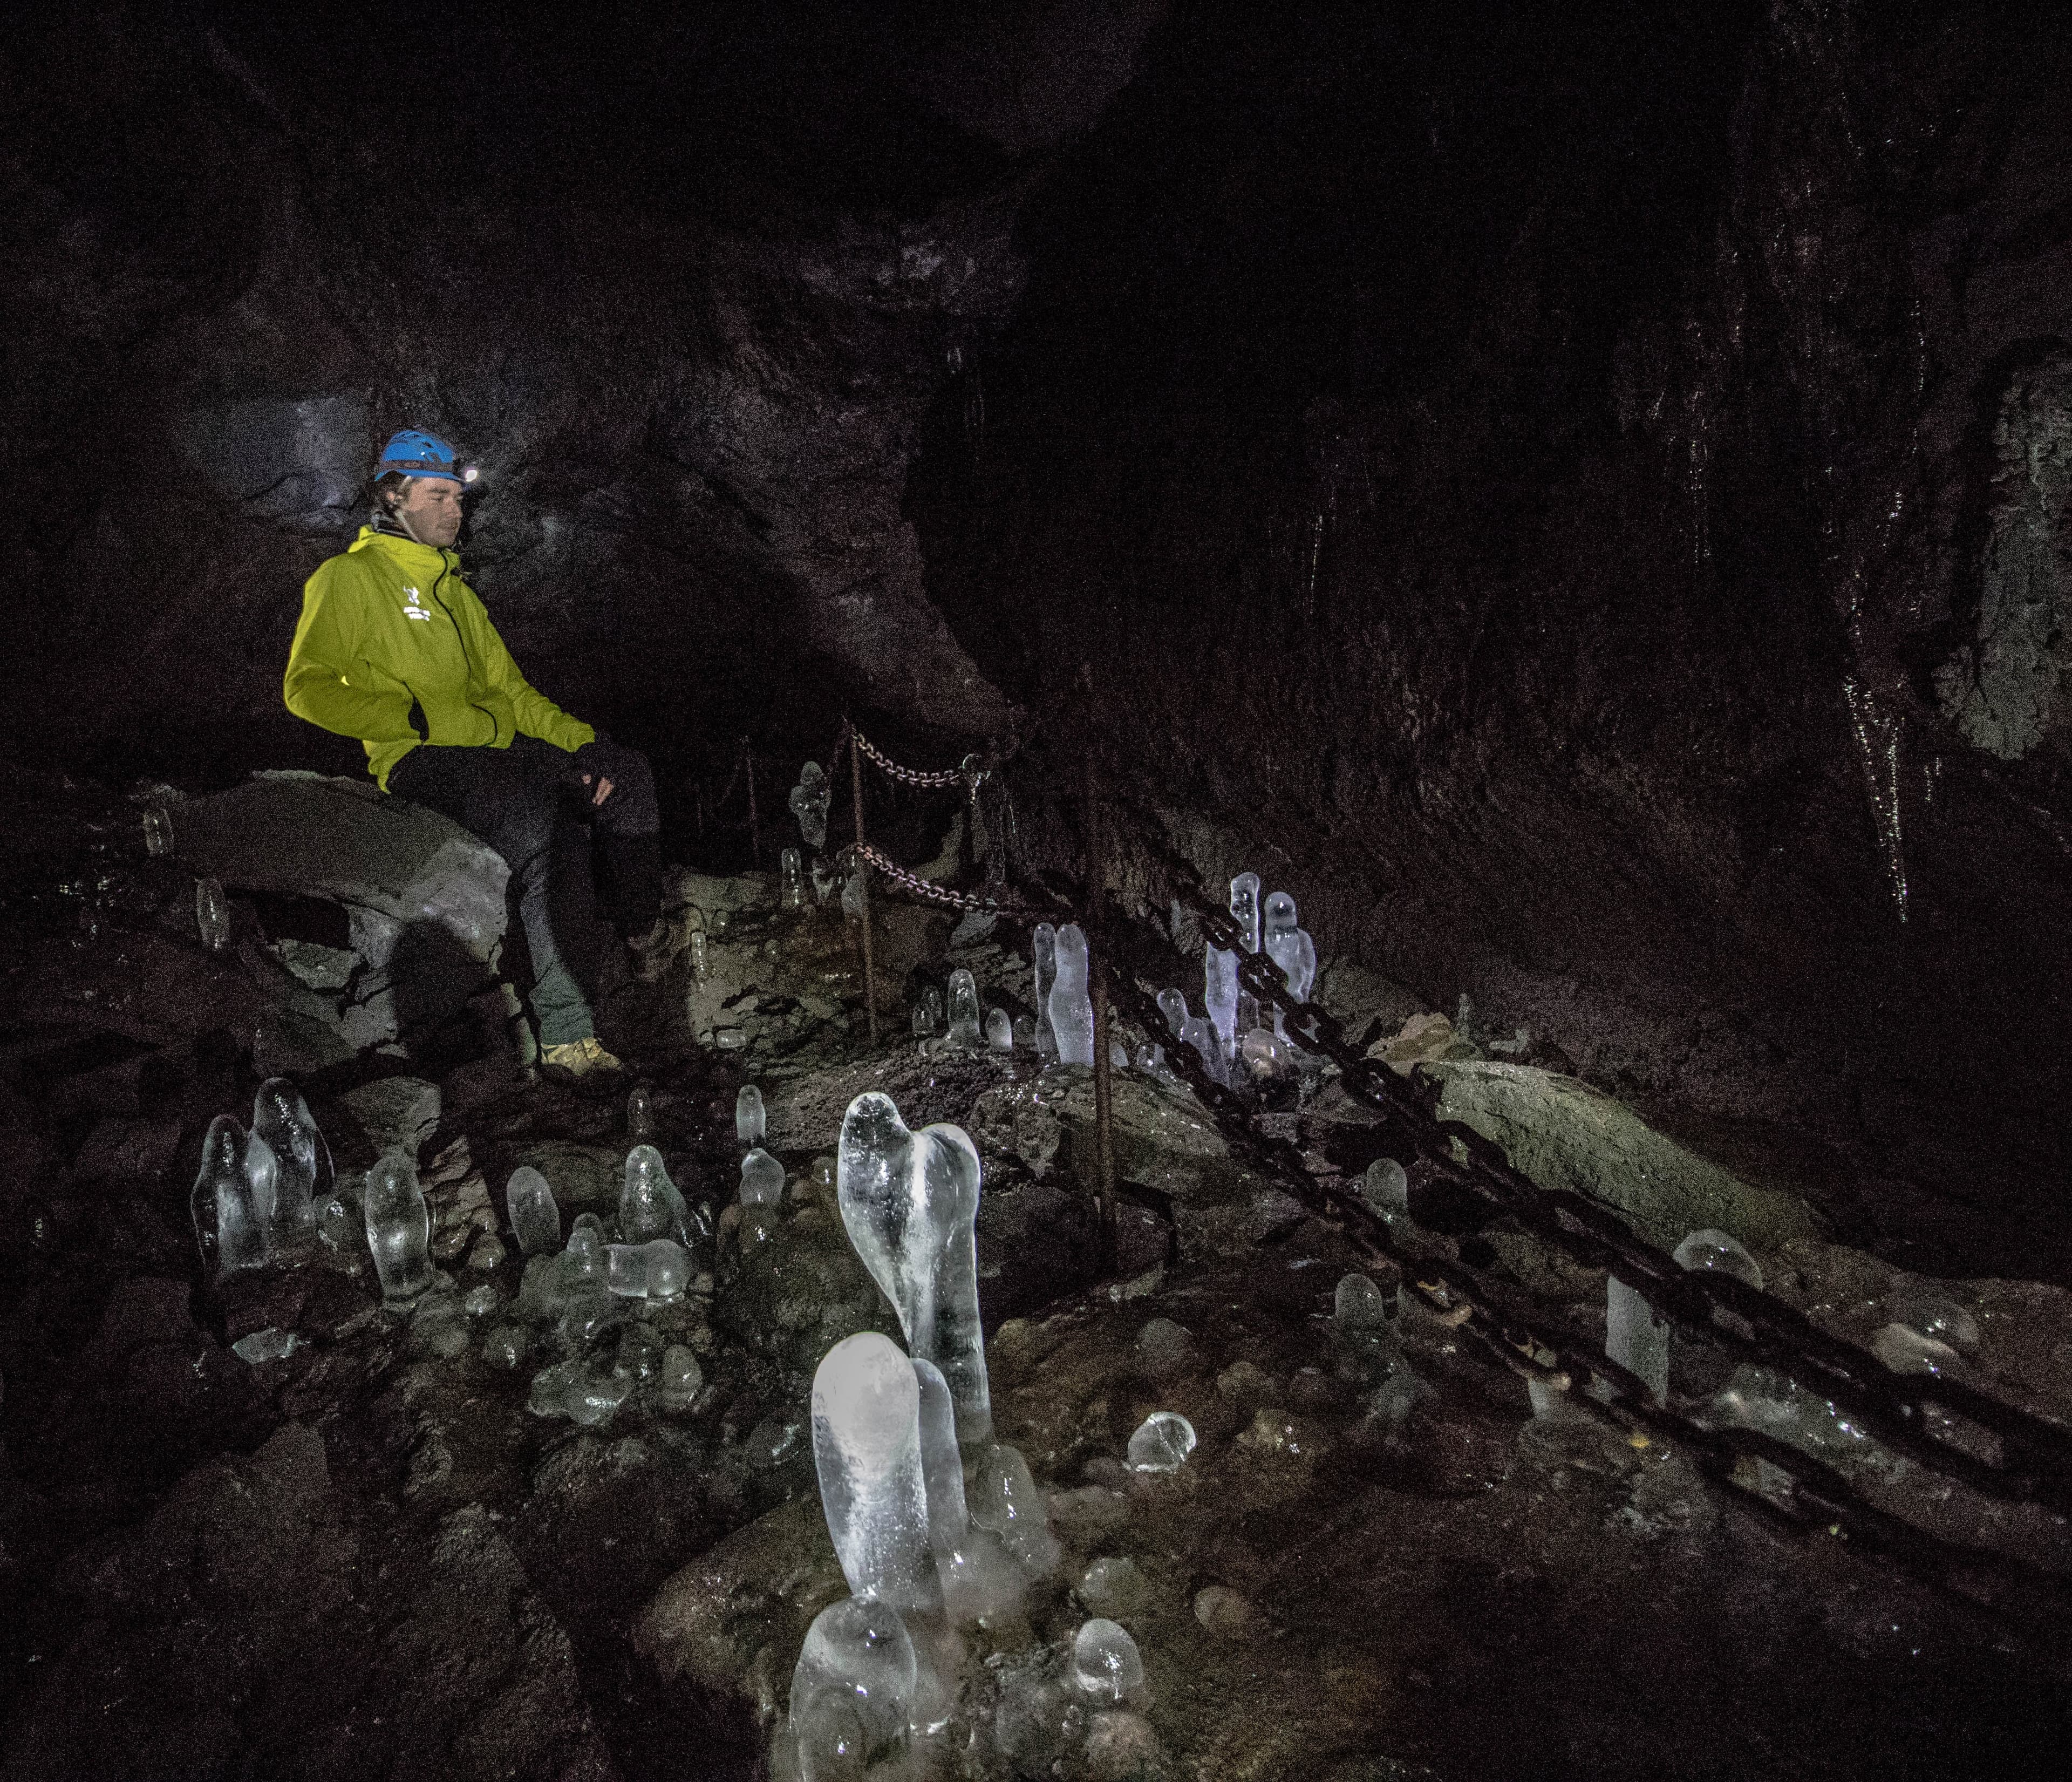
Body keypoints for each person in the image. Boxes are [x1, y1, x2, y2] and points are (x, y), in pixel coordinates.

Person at [284, 427, 666, 1078]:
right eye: (438, 496)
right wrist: (407, 716)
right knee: (545, 822)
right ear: (393, 497)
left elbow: (513, 695)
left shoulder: (459, 594)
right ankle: (568, 1037)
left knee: (625, 772)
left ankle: (641, 935)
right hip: (421, 760)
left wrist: (585, 742)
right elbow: (306, 687)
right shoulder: (349, 577)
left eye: (458, 498)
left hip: (499, 749)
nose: (454, 510)